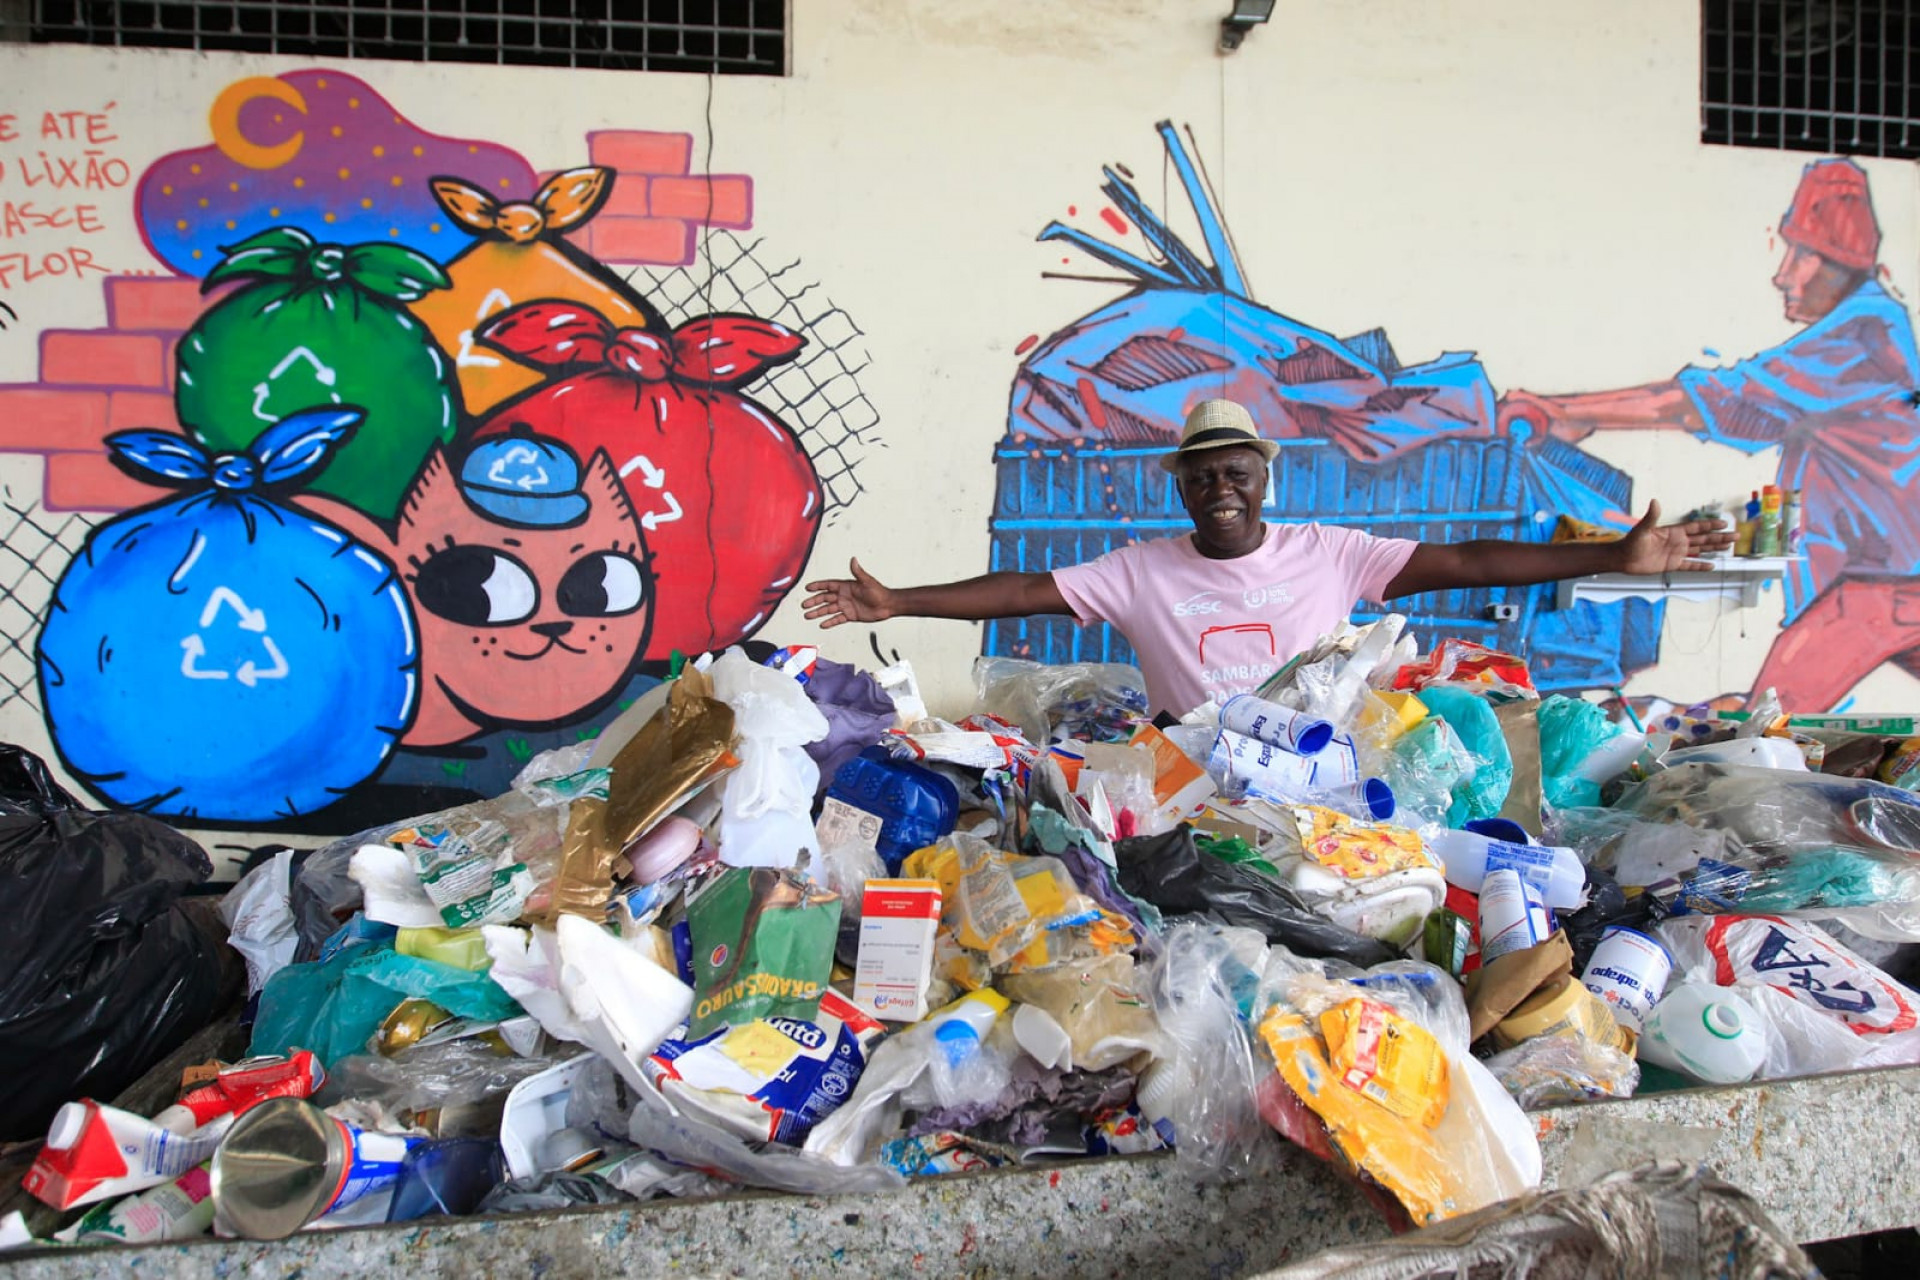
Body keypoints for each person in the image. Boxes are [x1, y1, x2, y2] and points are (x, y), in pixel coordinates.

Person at [804, 400, 1731, 717]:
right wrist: (900, 603)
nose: (1220, 488)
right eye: (1202, 476)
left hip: (1318, 779)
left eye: (1235, 471)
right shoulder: (1141, 570)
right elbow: (1021, 590)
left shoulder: (1329, 553)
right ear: (1182, 486)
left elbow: (1464, 563)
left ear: (1262, 477)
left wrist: (1615, 551)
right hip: (1193, 784)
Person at [1497, 158, 1920, 713]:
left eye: (1800, 253)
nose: (1782, 273)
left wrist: (1561, 410)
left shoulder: (1861, 335)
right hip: (1890, 582)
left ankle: (1639, 723)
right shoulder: (1864, 341)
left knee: (1758, 721)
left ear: (1838, 263)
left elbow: (1719, 400)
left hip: (1880, 590)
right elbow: (1747, 417)